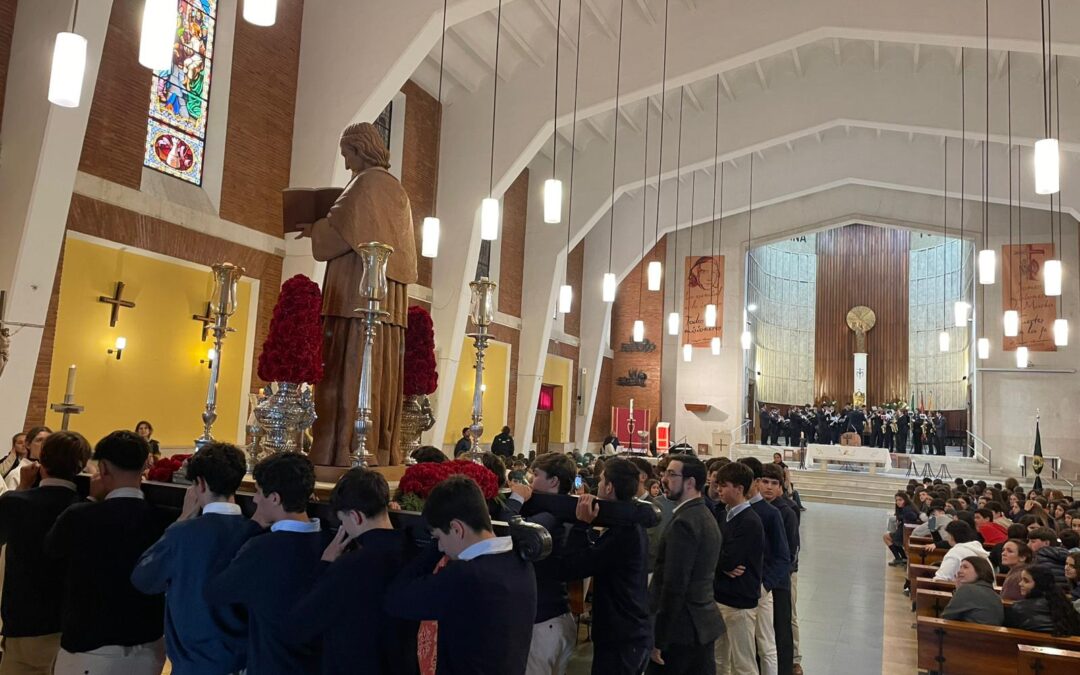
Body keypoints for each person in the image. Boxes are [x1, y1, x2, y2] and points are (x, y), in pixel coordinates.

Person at [45, 430, 172, 675]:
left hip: (90, 647)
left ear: (102, 469)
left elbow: (51, 550)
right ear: (146, 465)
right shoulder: (162, 518)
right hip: (148, 645)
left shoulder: (80, 516)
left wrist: (91, 498)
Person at [130, 442, 262, 675]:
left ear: (199, 483)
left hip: (193, 663)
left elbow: (143, 578)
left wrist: (183, 517)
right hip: (243, 662)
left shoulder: (183, 534)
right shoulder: (256, 533)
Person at [385, 476, 536, 674]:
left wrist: (432, 550)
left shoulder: (466, 576)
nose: (440, 546)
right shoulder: (520, 561)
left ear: (457, 528)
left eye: (438, 537)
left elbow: (395, 599)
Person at [287, 467, 417, 675]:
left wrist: (325, 563)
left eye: (343, 521)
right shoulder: (414, 552)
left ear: (355, 517)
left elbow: (298, 625)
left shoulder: (351, 566)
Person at [206, 452, 326, 674]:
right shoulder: (328, 542)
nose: (254, 500)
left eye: (259, 492)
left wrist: (251, 526)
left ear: (275, 498)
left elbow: (215, 591)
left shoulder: (262, 549)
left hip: (272, 664)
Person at [539, 458, 651, 675]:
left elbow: (572, 567)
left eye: (601, 481)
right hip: (628, 632)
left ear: (609, 487)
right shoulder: (629, 527)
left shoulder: (623, 535)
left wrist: (581, 525)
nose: (598, 485)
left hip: (621, 635)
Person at [0, 431, 89, 675]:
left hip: (24, 621)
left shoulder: (16, 503)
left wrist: (24, 488)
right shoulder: (87, 507)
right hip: (72, 626)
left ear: (42, 462)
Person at [647, 454, 724, 674]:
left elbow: (674, 585)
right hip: (699, 624)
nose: (664, 480)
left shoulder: (685, 523)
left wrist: (659, 638)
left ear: (690, 482)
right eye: (665, 474)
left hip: (681, 630)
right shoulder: (702, 514)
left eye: (672, 475)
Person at [509, 451, 578, 675]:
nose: (530, 479)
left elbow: (508, 534)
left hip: (544, 621)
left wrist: (515, 500)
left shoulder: (548, 517)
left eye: (536, 474)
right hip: (556, 617)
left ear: (553, 481)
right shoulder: (560, 511)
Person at [739, 457, 791, 675]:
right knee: (744, 644)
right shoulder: (735, 510)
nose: (768, 487)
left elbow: (783, 555)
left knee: (768, 641)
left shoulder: (776, 513)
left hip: (765, 585)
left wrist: (765, 586)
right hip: (741, 586)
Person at [713, 461, 765, 675]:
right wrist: (720, 564)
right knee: (718, 660)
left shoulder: (750, 521)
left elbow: (731, 560)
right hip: (720, 595)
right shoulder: (724, 515)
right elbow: (715, 553)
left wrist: (720, 562)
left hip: (740, 602)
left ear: (739, 489)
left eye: (723, 485)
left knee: (743, 664)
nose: (718, 490)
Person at [761, 462, 799, 675]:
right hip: (760, 579)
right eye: (764, 482)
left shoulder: (788, 512)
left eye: (773, 483)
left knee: (782, 628)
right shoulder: (755, 507)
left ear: (780, 486)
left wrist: (771, 580)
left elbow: (789, 552)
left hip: (779, 580)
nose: (768, 487)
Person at [1005, 565, 1080, 636]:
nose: (1020, 583)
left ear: (1039, 584)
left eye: (1026, 581)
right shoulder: (1066, 606)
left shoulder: (1019, 608)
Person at [941, 557, 1004, 625]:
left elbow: (946, 617)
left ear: (980, 571)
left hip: (970, 634)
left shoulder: (967, 589)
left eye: (965, 567)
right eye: (960, 567)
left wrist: (960, 590)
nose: (959, 571)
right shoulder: (995, 595)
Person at [1, 426, 50, 492]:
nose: (44, 444)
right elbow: (9, 501)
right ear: (28, 444)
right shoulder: (16, 474)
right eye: (39, 440)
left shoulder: (52, 473)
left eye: (48, 441)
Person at [884, 492, 921, 566]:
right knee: (890, 537)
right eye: (897, 500)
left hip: (907, 531)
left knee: (886, 537)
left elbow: (913, 517)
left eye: (900, 500)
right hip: (904, 530)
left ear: (905, 500)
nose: (898, 502)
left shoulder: (907, 509)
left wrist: (903, 518)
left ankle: (899, 558)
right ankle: (902, 558)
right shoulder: (907, 507)